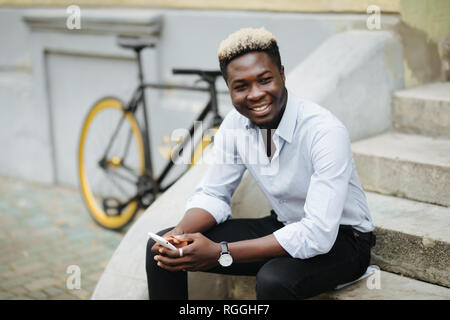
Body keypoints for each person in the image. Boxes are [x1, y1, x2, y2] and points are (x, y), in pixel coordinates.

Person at [146, 27, 376, 300]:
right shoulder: (235, 124)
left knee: (275, 280)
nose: (255, 94)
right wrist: (181, 233)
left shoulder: (324, 131)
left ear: (282, 74)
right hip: (284, 223)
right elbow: (213, 193)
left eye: (265, 80)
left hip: (343, 239)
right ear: (229, 90)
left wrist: (221, 252)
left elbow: (317, 233)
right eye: (241, 86)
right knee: (162, 249)